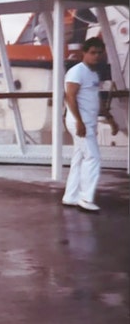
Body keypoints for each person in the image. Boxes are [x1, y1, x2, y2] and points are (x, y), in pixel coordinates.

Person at [61, 37, 107, 212]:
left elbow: (95, 97)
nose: (96, 56)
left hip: (89, 121)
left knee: (79, 158)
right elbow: (70, 97)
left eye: (99, 53)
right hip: (79, 122)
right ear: (84, 53)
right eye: (92, 53)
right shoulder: (76, 72)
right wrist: (79, 122)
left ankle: (71, 196)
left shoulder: (93, 73)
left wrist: (108, 117)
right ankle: (86, 198)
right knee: (93, 157)